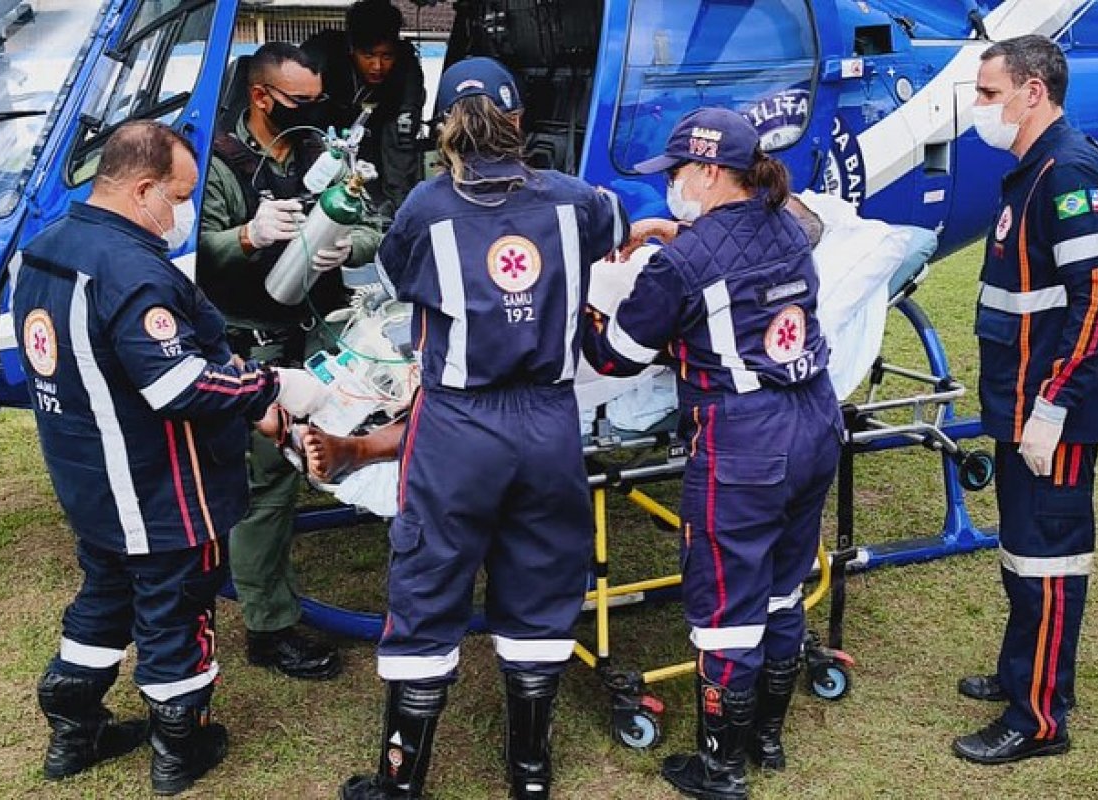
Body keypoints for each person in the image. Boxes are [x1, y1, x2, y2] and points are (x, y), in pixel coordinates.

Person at [337, 56, 628, 800]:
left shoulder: (425, 208)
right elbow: (622, 220)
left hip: (460, 424)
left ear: (444, 126)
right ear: (520, 120)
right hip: (549, 419)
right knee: (542, 575)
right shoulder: (575, 201)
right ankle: (530, 774)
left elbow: (397, 278)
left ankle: (401, 781)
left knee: (429, 577)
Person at [11, 120, 328, 795]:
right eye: (179, 198)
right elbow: (174, 384)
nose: (180, 214)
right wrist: (269, 386)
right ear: (143, 189)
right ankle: (180, 746)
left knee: (104, 595)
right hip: (159, 487)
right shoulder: (130, 269)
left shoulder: (45, 249)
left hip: (88, 477)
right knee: (176, 611)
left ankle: (73, 730)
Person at [583, 108, 841, 800]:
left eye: (676, 172)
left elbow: (615, 357)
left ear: (706, 170)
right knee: (782, 585)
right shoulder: (788, 222)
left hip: (745, 441)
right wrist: (682, 235)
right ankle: (766, 739)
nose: (671, 184)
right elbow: (742, 257)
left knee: (726, 609)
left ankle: (721, 769)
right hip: (815, 420)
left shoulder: (683, 264)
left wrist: (582, 303)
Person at [952, 34, 1098, 764]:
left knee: (1048, 561)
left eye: (989, 93)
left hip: (1052, 412)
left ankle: (1039, 720)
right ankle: (1020, 673)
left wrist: (1054, 407)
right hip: (1021, 401)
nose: (980, 107)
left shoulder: (1069, 174)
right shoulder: (1034, 171)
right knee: (1021, 552)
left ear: (1034, 92)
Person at [198, 42, 384, 682]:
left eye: (318, 99)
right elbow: (194, 252)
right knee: (268, 485)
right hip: (255, 345)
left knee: (346, 445)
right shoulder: (218, 164)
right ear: (260, 96)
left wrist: (349, 245)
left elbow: (375, 222)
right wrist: (248, 236)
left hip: (321, 339)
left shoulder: (319, 153)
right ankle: (270, 628)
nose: (314, 111)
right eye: (300, 102)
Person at [304, 0, 426, 217]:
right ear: (351, 47)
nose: (377, 66)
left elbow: (401, 143)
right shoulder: (323, 62)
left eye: (386, 56)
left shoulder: (406, 72)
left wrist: (399, 212)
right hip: (325, 144)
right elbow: (305, 128)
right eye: (368, 56)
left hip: (379, 148)